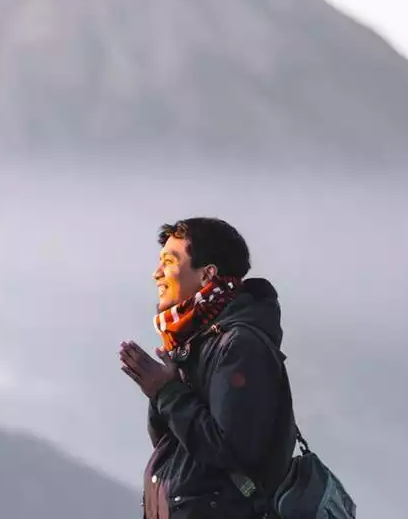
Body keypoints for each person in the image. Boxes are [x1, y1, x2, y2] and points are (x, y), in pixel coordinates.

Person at [119, 217, 296, 519]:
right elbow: (183, 450)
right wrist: (166, 390)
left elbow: (233, 450)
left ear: (207, 275)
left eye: (169, 261)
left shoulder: (240, 345)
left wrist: (167, 393)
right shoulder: (196, 345)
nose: (156, 274)